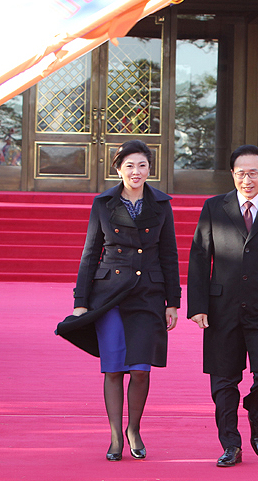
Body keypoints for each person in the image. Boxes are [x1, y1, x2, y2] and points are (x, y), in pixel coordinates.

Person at [56, 139, 181, 462]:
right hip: (109, 295)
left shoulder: (162, 205)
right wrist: (80, 302)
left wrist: (173, 301)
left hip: (148, 296)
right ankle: (115, 436)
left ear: (150, 168)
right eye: (129, 166)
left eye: (142, 165)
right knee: (113, 369)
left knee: (141, 369)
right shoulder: (103, 204)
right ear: (118, 169)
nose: (136, 172)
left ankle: (134, 429)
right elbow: (90, 254)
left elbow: (169, 254)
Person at [187, 144, 258, 467]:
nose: (247, 179)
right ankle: (231, 445)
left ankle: (255, 411)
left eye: (253, 173)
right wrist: (197, 305)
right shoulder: (214, 207)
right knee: (223, 379)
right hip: (221, 307)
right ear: (232, 175)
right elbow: (199, 258)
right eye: (241, 173)